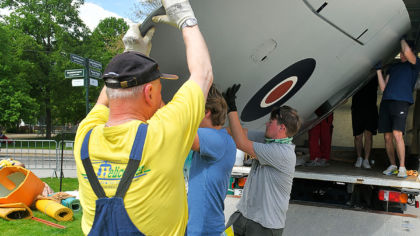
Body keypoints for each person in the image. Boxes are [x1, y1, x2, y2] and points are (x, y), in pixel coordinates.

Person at [73, 0, 214, 234]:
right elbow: (203, 74)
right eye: (159, 90)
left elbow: (105, 97)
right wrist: (185, 18)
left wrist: (130, 55)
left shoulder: (85, 135)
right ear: (149, 93)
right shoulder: (162, 134)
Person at [224, 84, 301, 236]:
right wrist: (205, 128)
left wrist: (231, 108)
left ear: (282, 128)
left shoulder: (283, 153)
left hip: (265, 227)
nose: (266, 124)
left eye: (270, 122)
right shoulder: (268, 140)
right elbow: (237, 132)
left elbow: (240, 142)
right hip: (245, 218)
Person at [187, 85, 236, 235]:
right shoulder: (218, 139)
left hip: (204, 231)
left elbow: (179, 131)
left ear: (206, 113)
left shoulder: (215, 139)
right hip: (201, 229)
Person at [377, 38, 419, 178]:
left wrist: (400, 37)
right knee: (387, 137)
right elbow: (383, 88)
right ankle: (393, 165)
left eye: (403, 53)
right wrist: (378, 70)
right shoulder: (393, 67)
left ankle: (402, 167)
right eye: (400, 53)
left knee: (397, 134)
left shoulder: (414, 64)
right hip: (386, 102)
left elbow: (407, 51)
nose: (401, 55)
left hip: (401, 102)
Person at [352, 77, 379, 169]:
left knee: (368, 135)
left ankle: (366, 160)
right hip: (357, 107)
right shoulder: (358, 73)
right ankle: (359, 158)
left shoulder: (375, 74)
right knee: (357, 136)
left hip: (370, 108)